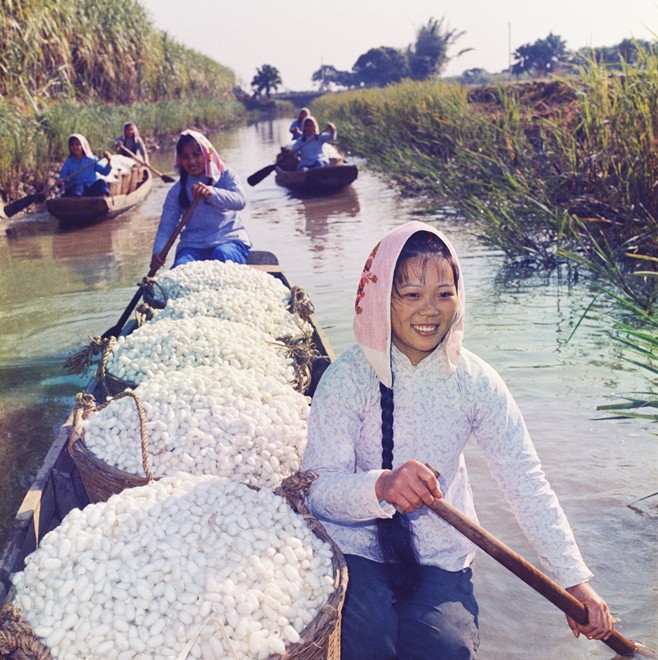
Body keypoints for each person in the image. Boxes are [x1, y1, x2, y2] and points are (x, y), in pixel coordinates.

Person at [301, 221, 615, 659]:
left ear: (459, 296)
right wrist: (381, 486)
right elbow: (317, 490)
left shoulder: (475, 381)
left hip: (440, 556)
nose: (429, 311)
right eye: (411, 295)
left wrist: (573, 579)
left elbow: (526, 483)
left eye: (443, 294)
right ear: (379, 299)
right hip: (358, 551)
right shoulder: (346, 379)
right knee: (368, 645)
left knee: (447, 649)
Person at [150, 129, 251, 270]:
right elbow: (167, 225)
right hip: (193, 247)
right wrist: (158, 251)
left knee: (221, 256)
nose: (191, 161)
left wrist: (212, 193)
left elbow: (240, 201)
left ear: (206, 154)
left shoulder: (226, 175)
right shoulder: (177, 190)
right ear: (180, 160)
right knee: (181, 269)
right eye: (185, 157)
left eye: (196, 155)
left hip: (229, 240)